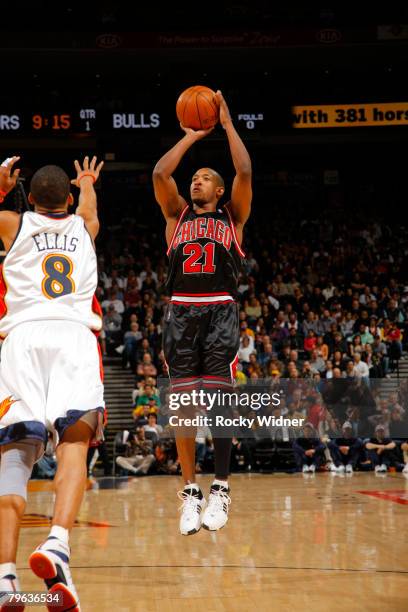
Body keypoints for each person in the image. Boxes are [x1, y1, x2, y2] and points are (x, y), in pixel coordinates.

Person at [0, 155, 104, 611]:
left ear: (30, 199)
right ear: (66, 198)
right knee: (74, 446)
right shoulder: (84, 226)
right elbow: (91, 210)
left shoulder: (11, 224)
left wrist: (2, 188)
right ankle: (57, 542)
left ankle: (6, 579)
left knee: (15, 456)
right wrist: (86, 182)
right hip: (73, 336)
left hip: (21, 338)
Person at [153, 91, 252, 534]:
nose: (196, 181)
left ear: (220, 190)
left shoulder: (233, 217)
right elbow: (160, 172)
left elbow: (245, 169)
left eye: (206, 177)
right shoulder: (176, 215)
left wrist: (227, 125)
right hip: (180, 312)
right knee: (185, 407)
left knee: (220, 402)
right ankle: (190, 493)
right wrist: (192, 137)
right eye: (194, 177)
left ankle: (222, 488)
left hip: (219, 311)